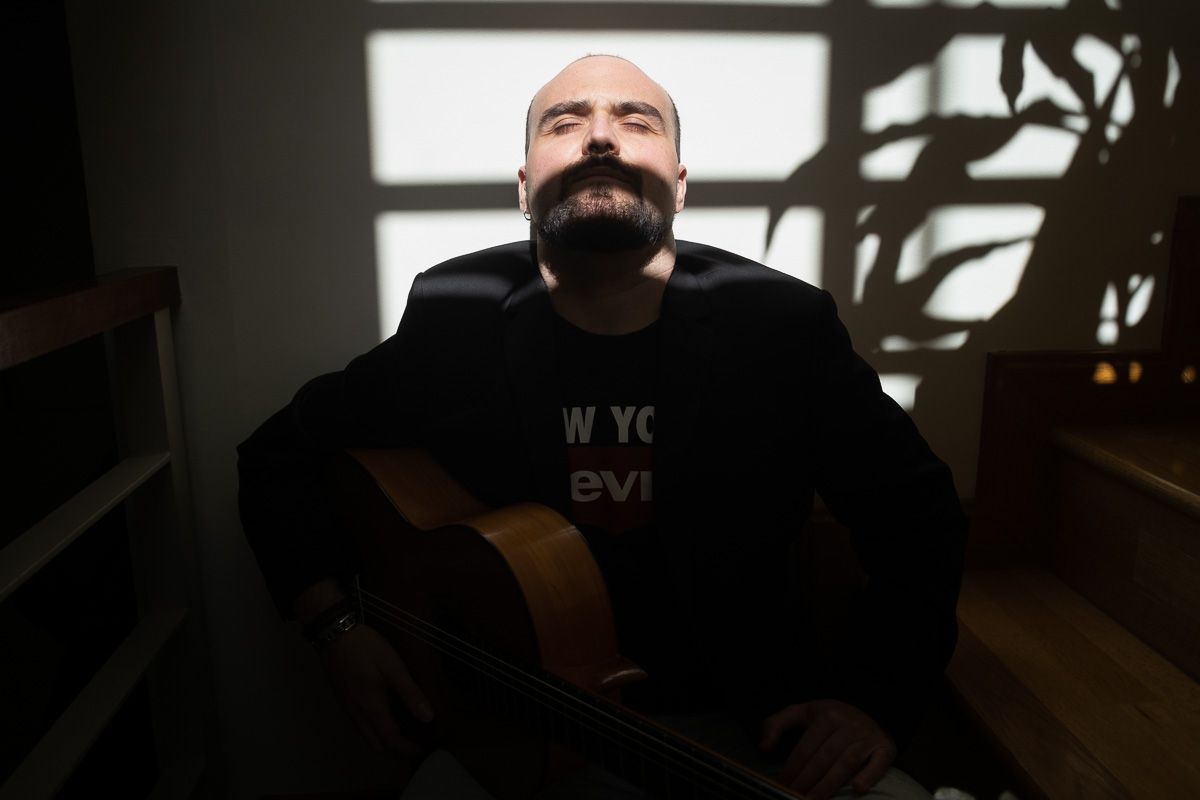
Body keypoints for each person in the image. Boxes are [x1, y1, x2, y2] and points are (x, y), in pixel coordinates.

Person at [237, 54, 967, 800]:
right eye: (566, 121)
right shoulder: (453, 317)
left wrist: (873, 702)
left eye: (634, 120)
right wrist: (334, 629)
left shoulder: (781, 327)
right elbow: (277, 454)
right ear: (524, 188)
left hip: (747, 733)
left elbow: (921, 519)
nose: (599, 139)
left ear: (680, 186)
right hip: (513, 738)